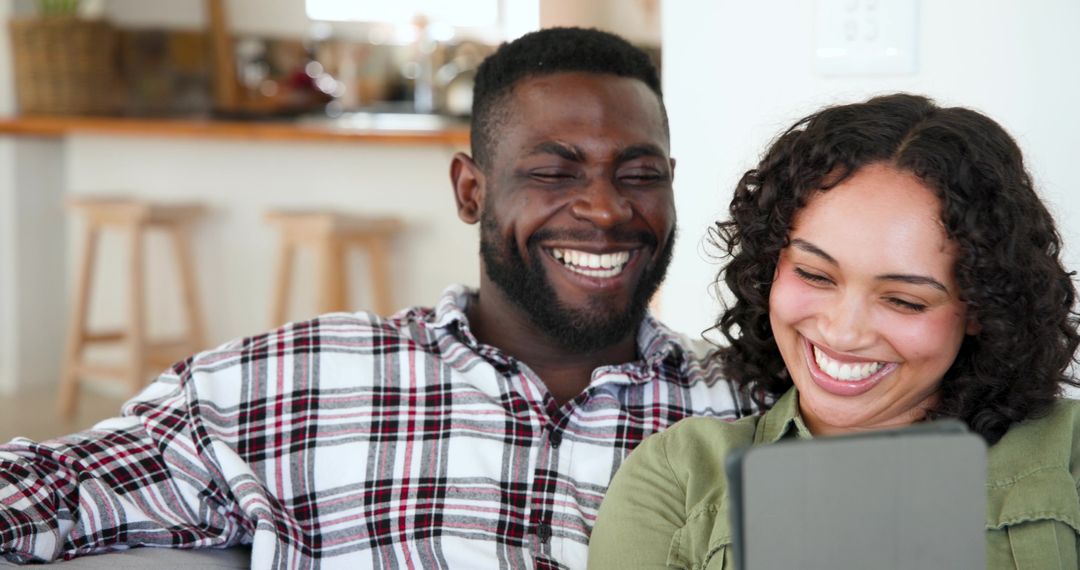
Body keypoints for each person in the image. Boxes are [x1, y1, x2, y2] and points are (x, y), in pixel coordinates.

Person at [0, 28, 754, 569]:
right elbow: (57, 488)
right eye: (554, 173)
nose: (605, 209)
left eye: (639, 174)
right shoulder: (299, 379)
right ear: (470, 191)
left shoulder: (745, 410)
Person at [588, 93, 1080, 569]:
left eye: (904, 300)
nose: (843, 333)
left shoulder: (1067, 451)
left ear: (979, 307)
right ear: (770, 266)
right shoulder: (682, 474)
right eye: (815, 275)